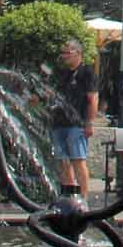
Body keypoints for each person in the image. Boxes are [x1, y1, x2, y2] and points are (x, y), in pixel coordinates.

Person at [50, 38, 98, 197]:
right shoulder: (62, 74)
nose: (64, 56)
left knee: (78, 160)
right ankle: (69, 195)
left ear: (78, 54)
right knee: (63, 161)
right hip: (59, 123)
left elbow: (93, 98)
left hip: (77, 124)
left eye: (68, 52)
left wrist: (90, 122)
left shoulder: (87, 72)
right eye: (63, 53)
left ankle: (83, 198)